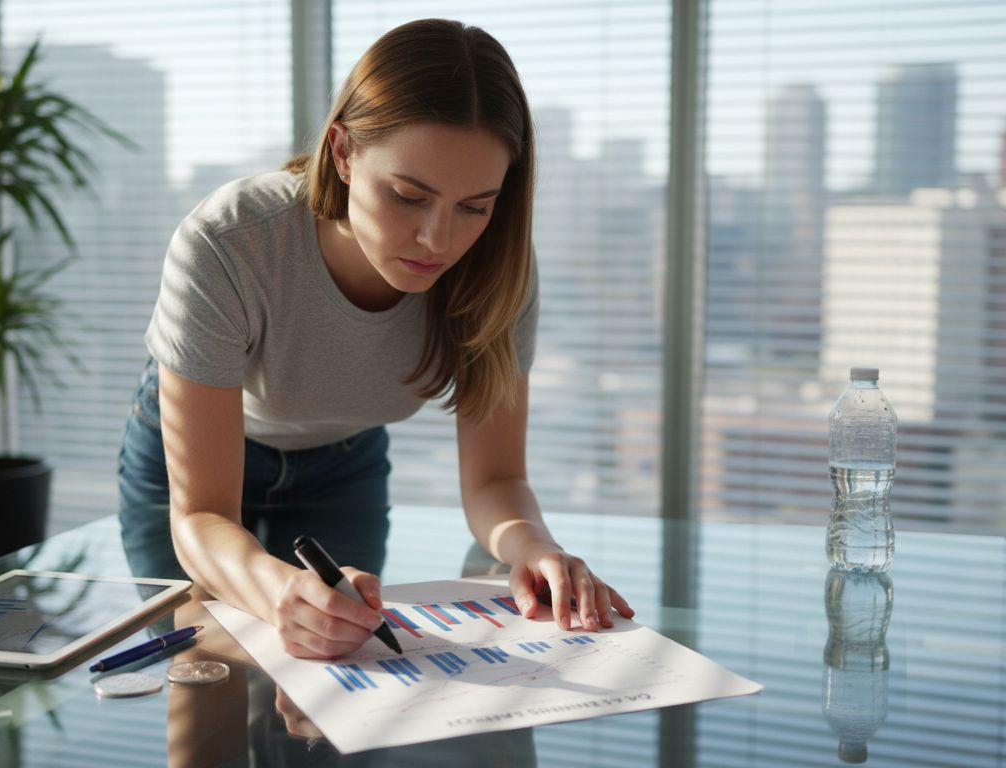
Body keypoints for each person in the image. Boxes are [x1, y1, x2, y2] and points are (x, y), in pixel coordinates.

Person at [118, 18, 634, 660]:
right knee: (203, 675)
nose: (439, 242)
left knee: (342, 667)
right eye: (408, 196)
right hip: (203, 462)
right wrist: (277, 591)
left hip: (345, 461)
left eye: (475, 206)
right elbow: (201, 516)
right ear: (342, 152)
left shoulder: (499, 269)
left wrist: (535, 547)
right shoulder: (231, 243)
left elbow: (496, 479)